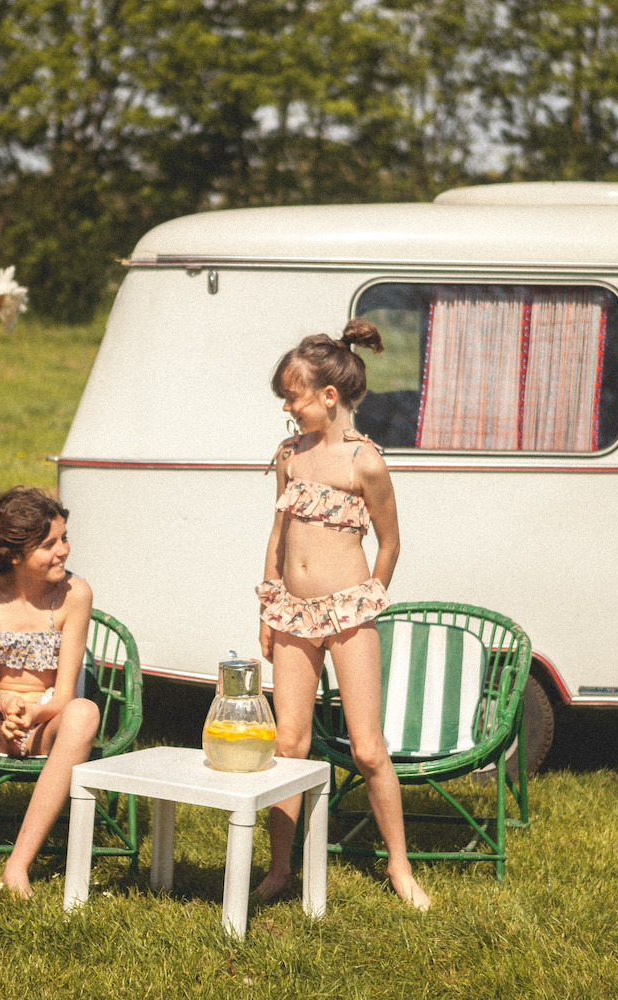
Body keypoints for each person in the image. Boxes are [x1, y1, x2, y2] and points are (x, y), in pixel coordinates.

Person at [253, 319, 431, 912]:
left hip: (349, 612)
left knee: (367, 748)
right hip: (292, 613)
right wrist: (269, 606)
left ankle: (400, 866)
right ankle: (280, 867)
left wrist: (368, 598)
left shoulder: (366, 463)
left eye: (294, 397)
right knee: (289, 743)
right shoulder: (289, 457)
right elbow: (278, 536)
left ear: (328, 396)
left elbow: (390, 542)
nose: (288, 408)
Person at [0, 486, 100, 909]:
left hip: (47, 722)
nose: (63, 550)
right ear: (15, 554)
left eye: (64, 538)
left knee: (85, 712)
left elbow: (65, 694)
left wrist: (35, 713)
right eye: (49, 544)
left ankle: (17, 867)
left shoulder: (75, 595)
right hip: (0, 720)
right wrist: (5, 705)